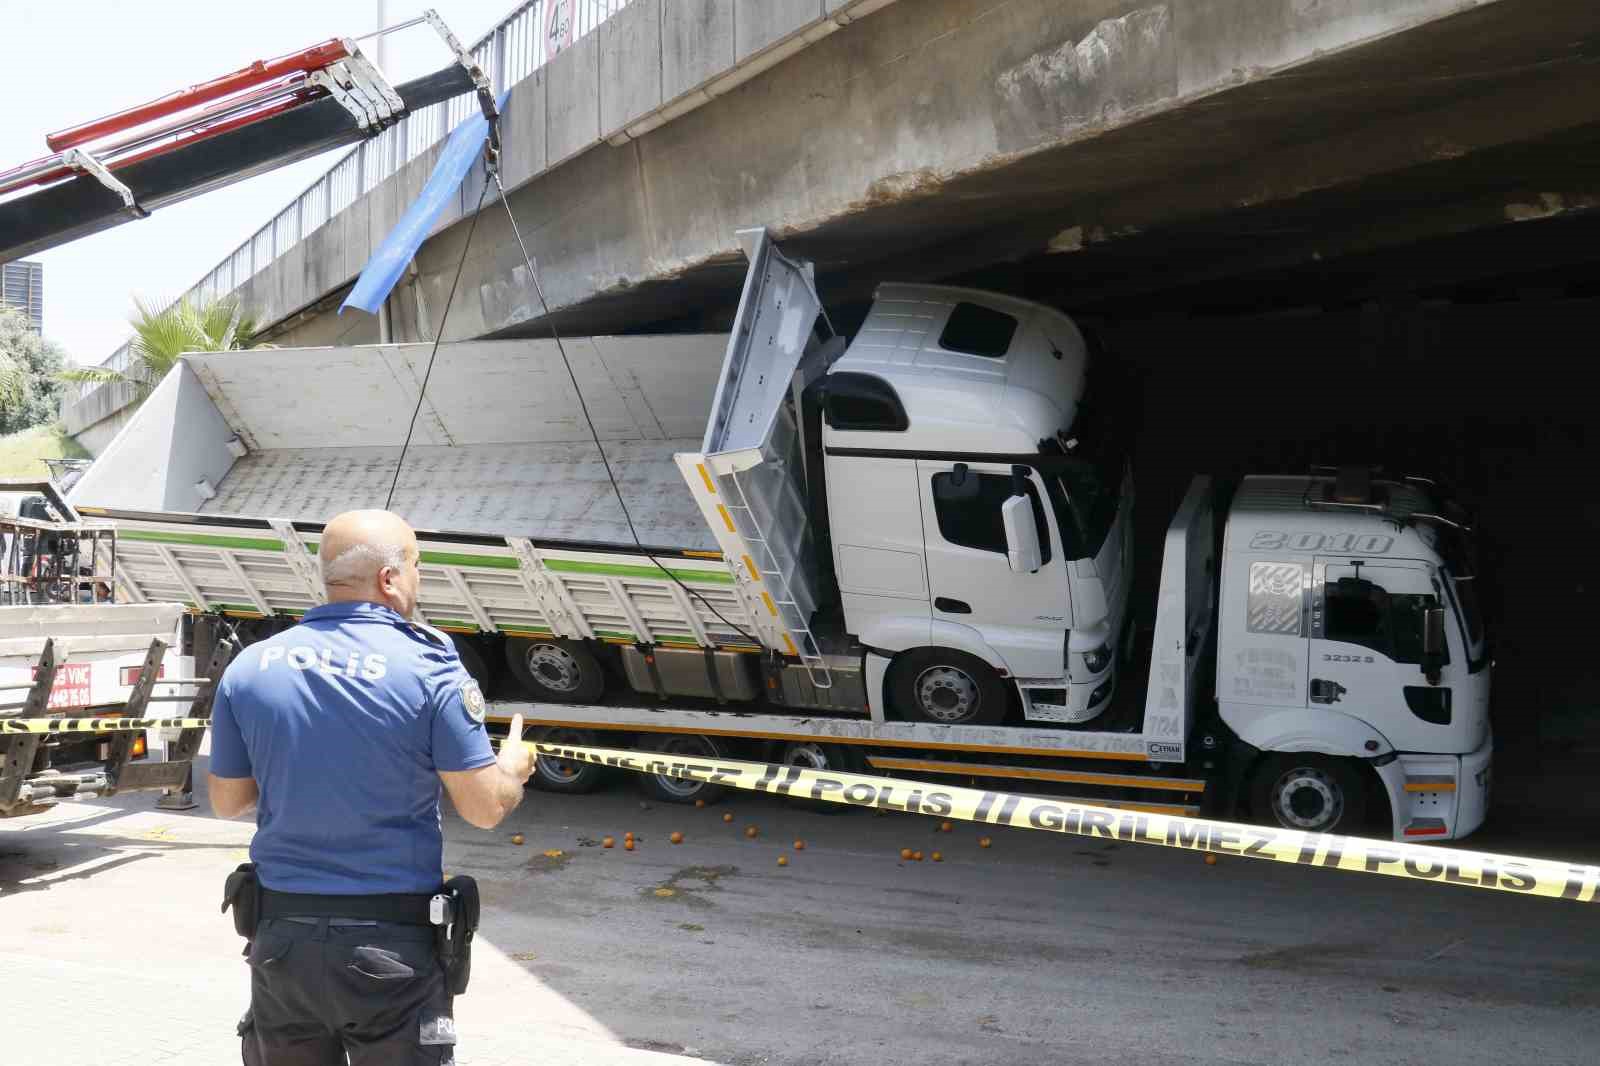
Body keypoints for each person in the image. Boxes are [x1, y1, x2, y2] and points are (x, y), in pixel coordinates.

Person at [207, 509, 535, 1065]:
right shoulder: (430, 668)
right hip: (391, 949)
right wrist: (512, 768)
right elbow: (483, 809)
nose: (418, 581)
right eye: (416, 568)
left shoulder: (251, 667)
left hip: (282, 947)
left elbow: (227, 800)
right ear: (389, 578)